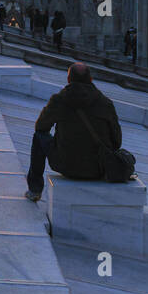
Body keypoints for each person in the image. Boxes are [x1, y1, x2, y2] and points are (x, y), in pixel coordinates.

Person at [25, 63, 122, 201]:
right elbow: (117, 141)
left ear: (69, 79)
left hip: (66, 165)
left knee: (39, 137)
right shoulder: (105, 103)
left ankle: (34, 190)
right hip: (99, 168)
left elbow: (40, 127)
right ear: (91, 79)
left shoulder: (59, 100)